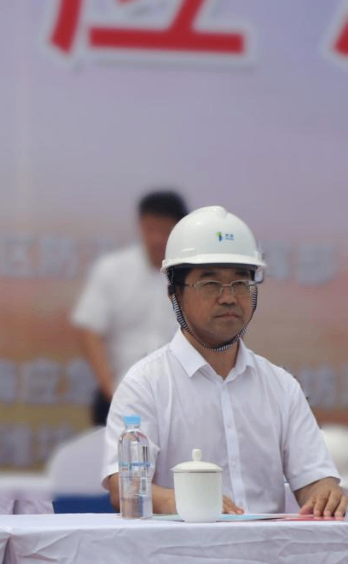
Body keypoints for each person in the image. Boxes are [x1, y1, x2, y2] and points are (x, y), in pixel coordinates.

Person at [102, 206, 345, 517]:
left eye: (240, 283)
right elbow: (124, 489)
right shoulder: (145, 384)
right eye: (211, 284)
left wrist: (326, 492)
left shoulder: (281, 387)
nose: (229, 297)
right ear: (174, 293)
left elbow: (314, 480)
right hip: (181, 545)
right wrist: (188, 502)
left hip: (265, 545)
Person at [71, 191, 188, 426]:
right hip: (119, 393)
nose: (157, 239)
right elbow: (88, 329)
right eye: (151, 229)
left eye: (165, 230)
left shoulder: (194, 276)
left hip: (181, 399)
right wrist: (111, 390)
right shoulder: (112, 269)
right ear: (140, 226)